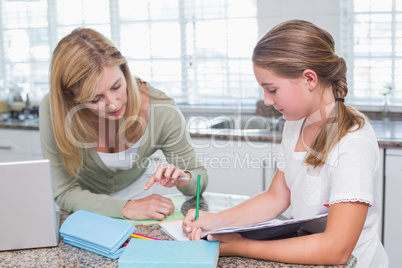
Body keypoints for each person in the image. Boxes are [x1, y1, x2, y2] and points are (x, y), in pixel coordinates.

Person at [183, 20, 388, 267]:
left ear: (309, 79)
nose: (267, 101)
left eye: (272, 89)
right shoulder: (295, 124)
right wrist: (216, 220)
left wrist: (243, 246)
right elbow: (277, 196)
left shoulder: (353, 141)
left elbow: (337, 249)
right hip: (307, 253)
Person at [40, 28, 207, 220]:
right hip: (83, 208)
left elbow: (200, 178)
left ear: (124, 70)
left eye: (117, 87)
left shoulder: (161, 111)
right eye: (95, 99)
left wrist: (183, 177)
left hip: (142, 203)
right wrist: (125, 208)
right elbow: (64, 192)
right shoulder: (54, 109)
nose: (113, 104)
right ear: (71, 96)